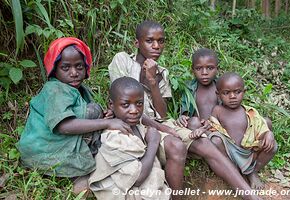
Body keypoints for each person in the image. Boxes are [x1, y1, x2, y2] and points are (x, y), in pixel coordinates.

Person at [108, 22, 261, 200]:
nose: (156, 46)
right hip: (133, 125)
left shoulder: (162, 72)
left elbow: (162, 114)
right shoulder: (122, 60)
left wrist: (152, 81)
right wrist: (166, 129)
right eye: (150, 41)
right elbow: (124, 104)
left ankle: (250, 196)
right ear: (137, 43)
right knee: (176, 145)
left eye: (161, 41)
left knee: (204, 143)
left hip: (157, 123)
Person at [17, 37, 132, 193]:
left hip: (57, 142)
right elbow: (64, 126)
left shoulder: (77, 89)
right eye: (65, 68)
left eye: (79, 66)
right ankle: (75, 175)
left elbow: (81, 111)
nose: (74, 73)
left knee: (95, 112)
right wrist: (106, 123)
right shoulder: (55, 90)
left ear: (86, 68)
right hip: (44, 148)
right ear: (54, 70)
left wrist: (104, 115)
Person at [89, 77, 170, 200]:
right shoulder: (113, 138)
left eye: (139, 104)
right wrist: (153, 143)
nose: (134, 111)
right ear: (111, 105)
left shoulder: (136, 125)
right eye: (125, 105)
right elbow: (138, 178)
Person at [207, 72, 277, 189]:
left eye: (237, 92)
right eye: (226, 93)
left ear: (244, 92)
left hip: (249, 153)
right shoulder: (218, 110)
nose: (232, 96)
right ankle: (234, 173)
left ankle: (252, 172)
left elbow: (261, 128)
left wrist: (269, 134)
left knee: (273, 146)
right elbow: (212, 127)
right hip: (229, 154)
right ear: (218, 95)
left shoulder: (250, 112)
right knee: (215, 140)